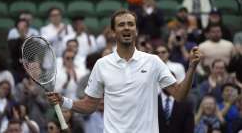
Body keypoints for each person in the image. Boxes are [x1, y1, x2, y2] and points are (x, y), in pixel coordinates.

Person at [46, 9, 202, 133]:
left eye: (130, 24)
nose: (126, 27)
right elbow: (89, 105)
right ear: (113, 32)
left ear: (136, 30)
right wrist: (63, 101)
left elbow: (180, 95)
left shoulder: (153, 61)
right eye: (121, 25)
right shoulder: (102, 64)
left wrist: (192, 68)